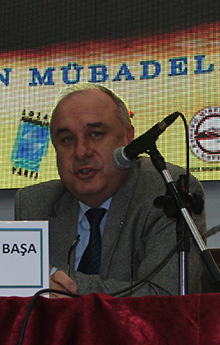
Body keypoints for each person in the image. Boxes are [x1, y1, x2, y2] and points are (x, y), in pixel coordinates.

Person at [14, 84, 206, 296]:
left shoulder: (167, 192)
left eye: (95, 134)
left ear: (128, 137)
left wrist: (62, 286)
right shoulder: (34, 204)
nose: (81, 152)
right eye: (67, 139)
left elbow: (165, 296)